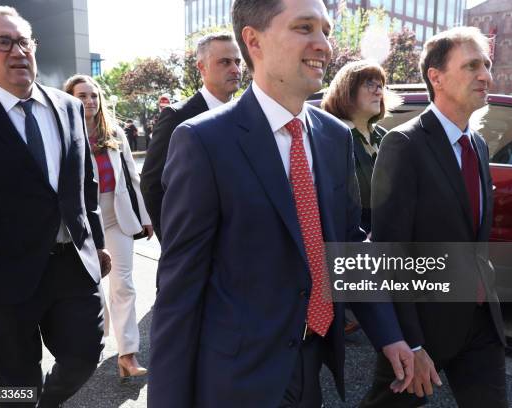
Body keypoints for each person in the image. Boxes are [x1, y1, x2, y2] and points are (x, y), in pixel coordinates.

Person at [148, 0, 414, 407]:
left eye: (325, 30)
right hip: (238, 378)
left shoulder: (333, 137)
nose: (324, 43)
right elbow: (180, 289)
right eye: (304, 28)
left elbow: (346, 248)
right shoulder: (203, 142)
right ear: (253, 41)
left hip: (313, 364)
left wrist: (390, 334)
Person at [0, 5, 111, 407]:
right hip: (2, 276)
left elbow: (85, 184)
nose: (17, 51)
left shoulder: (68, 107)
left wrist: (96, 242)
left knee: (85, 357)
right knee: (15, 385)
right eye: (2, 42)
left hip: (71, 265)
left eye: (23, 41)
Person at [363, 26, 508, 407]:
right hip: (425, 328)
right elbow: (390, 251)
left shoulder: (476, 144)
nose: (485, 76)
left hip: (479, 323)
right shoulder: (405, 145)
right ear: (436, 77)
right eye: (472, 65)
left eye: (487, 65)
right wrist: (411, 342)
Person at [64, 74, 153, 378]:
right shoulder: (63, 132)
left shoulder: (113, 132)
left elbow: (132, 175)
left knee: (124, 284)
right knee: (91, 286)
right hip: (81, 221)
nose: (89, 101)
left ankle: (127, 354)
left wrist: (145, 217)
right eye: (82, 96)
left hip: (116, 216)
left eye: (93, 95)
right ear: (70, 98)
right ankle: (94, 339)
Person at [140, 32, 242, 240]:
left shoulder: (250, 114)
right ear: (201, 67)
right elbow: (152, 184)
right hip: (199, 244)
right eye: (224, 62)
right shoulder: (177, 116)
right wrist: (172, 242)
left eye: (237, 61)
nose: (235, 69)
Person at [322, 60, 400, 234]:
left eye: (380, 85)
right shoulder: (330, 138)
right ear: (346, 90)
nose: (378, 91)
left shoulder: (385, 136)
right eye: (369, 84)